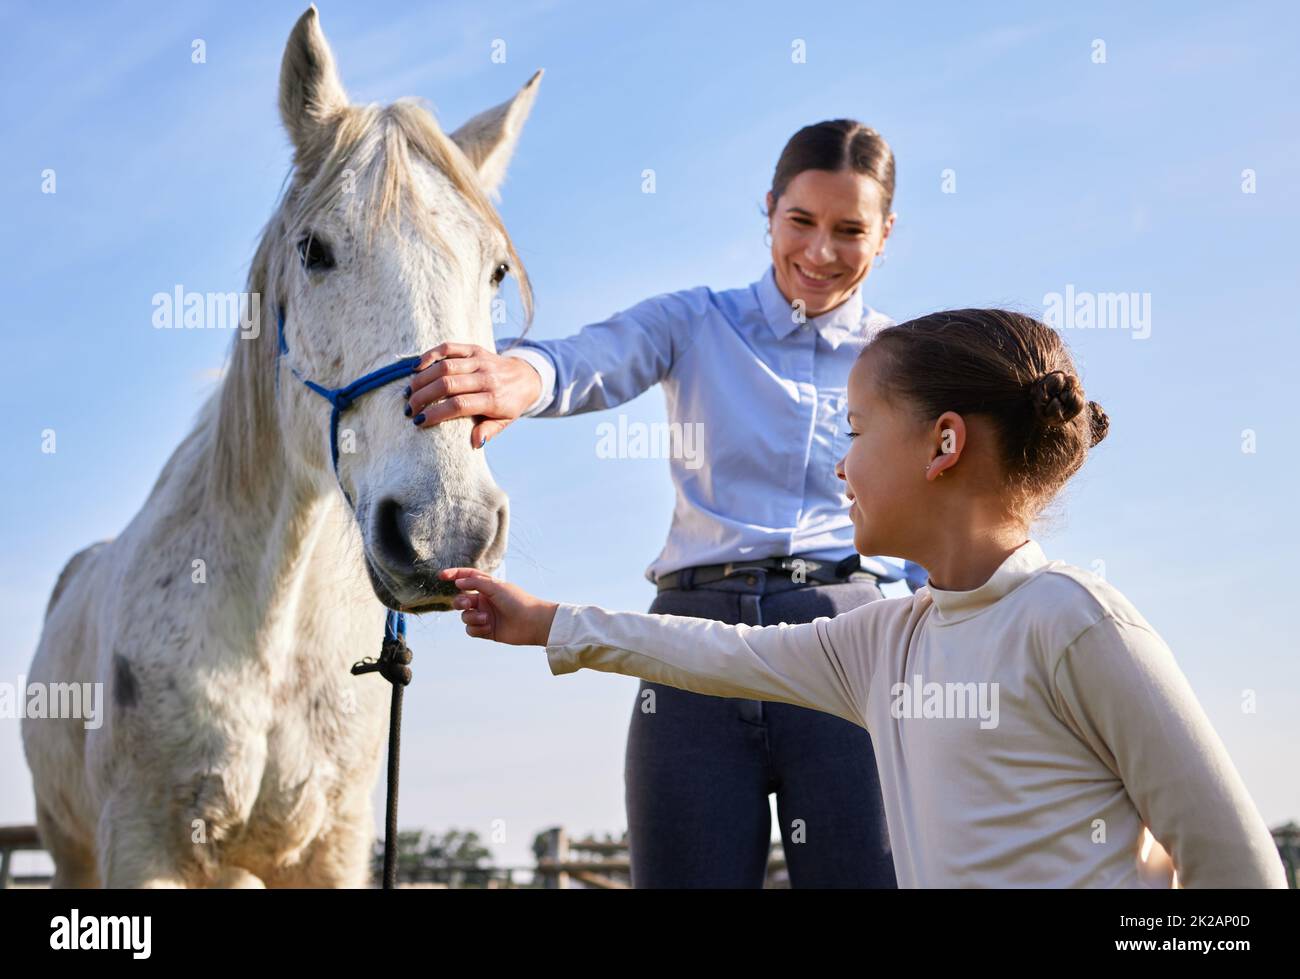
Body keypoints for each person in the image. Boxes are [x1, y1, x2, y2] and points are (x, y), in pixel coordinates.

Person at [437, 308, 1287, 888]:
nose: (839, 465)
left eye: (855, 429)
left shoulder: (1076, 624)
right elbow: (714, 652)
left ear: (943, 443)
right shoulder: (881, 642)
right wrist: (547, 623)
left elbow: (1240, 873)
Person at [405, 120, 920, 887]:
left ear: (885, 234)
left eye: (849, 230)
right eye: (801, 222)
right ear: (770, 208)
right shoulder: (695, 320)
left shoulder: (905, 360)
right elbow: (592, 356)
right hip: (691, 645)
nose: (819, 252)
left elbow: (932, 528)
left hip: (843, 643)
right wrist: (521, 376)